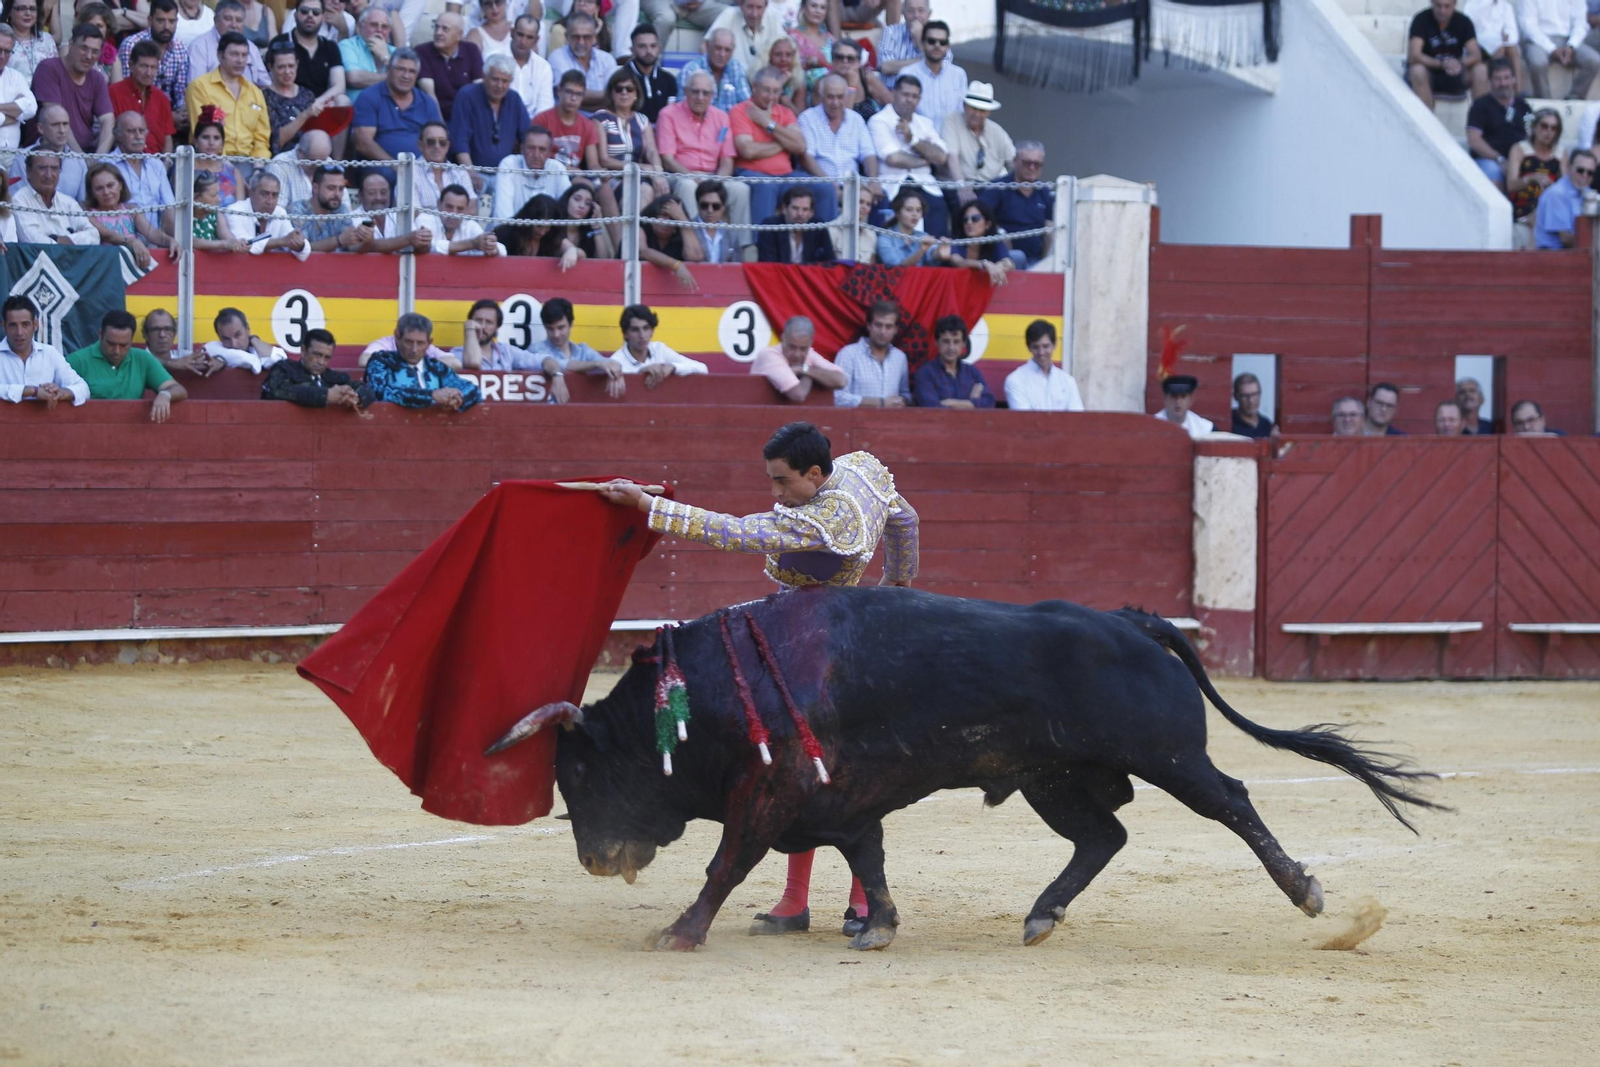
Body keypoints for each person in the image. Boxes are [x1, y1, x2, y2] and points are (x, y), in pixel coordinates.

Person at [594, 420, 919, 938]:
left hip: (815, 644)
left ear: (814, 474)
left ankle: (858, 901)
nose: (775, 494)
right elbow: (906, 518)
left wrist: (646, 508)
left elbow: (735, 532)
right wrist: (896, 587)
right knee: (802, 764)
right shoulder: (858, 469)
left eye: (782, 482)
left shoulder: (822, 519)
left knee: (831, 769)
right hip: (839, 628)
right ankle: (803, 902)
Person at [657, 69, 751, 252]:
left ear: (712, 95)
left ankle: (742, 248)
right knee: (687, 186)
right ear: (685, 91)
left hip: (713, 177)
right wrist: (693, 177)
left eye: (705, 93)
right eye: (695, 91)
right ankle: (697, 245)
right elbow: (668, 159)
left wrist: (716, 182)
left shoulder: (721, 118)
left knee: (741, 189)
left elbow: (726, 160)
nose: (700, 97)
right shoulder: (668, 114)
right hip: (681, 174)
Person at [733, 65, 836, 226]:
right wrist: (785, 143)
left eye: (776, 91)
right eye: (766, 90)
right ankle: (761, 247)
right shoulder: (740, 111)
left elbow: (801, 146)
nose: (771, 97)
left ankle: (826, 244)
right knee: (767, 187)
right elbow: (748, 150)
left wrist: (769, 124)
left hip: (786, 175)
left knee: (824, 188)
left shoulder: (785, 112)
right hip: (752, 173)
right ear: (754, 87)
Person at [66, 309, 187, 422]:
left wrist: (165, 394)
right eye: (111, 344)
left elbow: (178, 389)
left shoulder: (142, 359)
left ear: (132, 340)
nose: (117, 351)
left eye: (124, 345)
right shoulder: (78, 361)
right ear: (100, 335)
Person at [869, 74, 949, 237]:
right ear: (894, 94)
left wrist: (912, 139)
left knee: (938, 210)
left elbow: (941, 157)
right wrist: (927, 159)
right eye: (905, 95)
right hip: (893, 184)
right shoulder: (879, 120)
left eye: (914, 96)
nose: (909, 100)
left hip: (925, 184)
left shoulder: (925, 123)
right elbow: (894, 158)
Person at [364, 312, 483, 409]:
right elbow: (380, 393)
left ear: (429, 343)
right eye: (409, 342)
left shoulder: (436, 368)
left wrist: (457, 398)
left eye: (420, 343)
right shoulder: (381, 362)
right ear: (397, 336)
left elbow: (474, 391)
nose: (414, 350)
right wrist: (431, 395)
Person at [797, 73, 879, 205]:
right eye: (830, 97)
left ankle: (867, 227)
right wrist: (830, 184)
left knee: (878, 194)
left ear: (846, 96)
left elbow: (868, 154)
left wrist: (873, 180)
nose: (835, 102)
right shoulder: (807, 118)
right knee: (827, 192)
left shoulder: (856, 119)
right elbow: (806, 157)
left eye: (840, 97)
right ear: (821, 96)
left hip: (852, 183)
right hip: (820, 181)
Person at [187, 32, 272, 158]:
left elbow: (262, 137)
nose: (240, 60)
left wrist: (259, 163)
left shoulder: (255, 92)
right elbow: (200, 132)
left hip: (250, 161)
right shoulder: (200, 87)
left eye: (244, 55)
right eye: (234, 54)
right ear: (220, 56)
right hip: (213, 160)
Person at [31, 22, 113, 152]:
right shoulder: (49, 69)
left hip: (87, 152)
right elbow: (56, 118)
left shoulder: (97, 78)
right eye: (84, 48)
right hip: (49, 151)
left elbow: (108, 120)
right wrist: (80, 159)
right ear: (70, 44)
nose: (88, 56)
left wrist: (99, 158)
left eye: (95, 51)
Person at [350, 46, 441, 163]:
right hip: (379, 166)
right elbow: (363, 143)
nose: (406, 76)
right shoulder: (369, 97)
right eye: (401, 69)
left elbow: (437, 141)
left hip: (421, 168)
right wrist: (395, 166)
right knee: (375, 182)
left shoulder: (427, 102)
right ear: (388, 70)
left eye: (412, 71)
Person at [1, 294, 89, 408]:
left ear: (35, 325)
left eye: (25, 324)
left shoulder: (50, 354)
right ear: (4, 327)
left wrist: (62, 393)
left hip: (45, 425)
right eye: (13, 325)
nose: (19, 332)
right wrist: (31, 391)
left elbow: (83, 388)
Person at [526, 295, 620, 402]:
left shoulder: (583, 350)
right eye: (550, 329)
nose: (556, 334)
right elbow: (559, 364)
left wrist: (616, 372)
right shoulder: (536, 349)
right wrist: (596, 364)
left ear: (570, 324)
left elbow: (609, 363)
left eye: (561, 327)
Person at [117, 0, 190, 133]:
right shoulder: (131, 45)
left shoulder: (181, 49)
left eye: (171, 21)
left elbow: (181, 94)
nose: (166, 26)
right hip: (136, 116)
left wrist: (180, 115)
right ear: (150, 20)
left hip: (171, 118)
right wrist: (167, 117)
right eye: (161, 21)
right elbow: (128, 92)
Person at [449, 52, 528, 174]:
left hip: (506, 173)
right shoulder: (467, 96)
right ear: (484, 77)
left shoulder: (514, 99)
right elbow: (460, 142)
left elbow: (527, 137)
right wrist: (471, 174)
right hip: (473, 171)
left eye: (505, 81)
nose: (499, 86)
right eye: (495, 79)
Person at [978, 139, 1051, 266]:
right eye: (1027, 163)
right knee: (1018, 256)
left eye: (1037, 164)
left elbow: (1051, 225)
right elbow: (978, 215)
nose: (1032, 168)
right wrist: (999, 233)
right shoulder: (998, 187)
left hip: (1037, 260)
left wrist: (1047, 261)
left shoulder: (1044, 192)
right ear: (1015, 161)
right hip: (1005, 260)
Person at [270, 0, 349, 115]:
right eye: (304, 11)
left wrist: (317, 103)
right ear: (295, 15)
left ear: (322, 17)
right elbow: (271, 84)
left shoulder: (330, 46)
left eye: (316, 12)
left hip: (320, 106)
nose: (310, 15)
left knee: (343, 101)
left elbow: (339, 85)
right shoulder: (280, 43)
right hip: (289, 108)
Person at [262, 327, 370, 408]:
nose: (321, 362)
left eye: (327, 357)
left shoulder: (331, 377)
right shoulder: (285, 369)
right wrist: (325, 395)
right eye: (317, 355)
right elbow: (275, 390)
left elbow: (367, 389)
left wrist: (355, 397)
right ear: (303, 351)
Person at [941, 81, 1013, 204]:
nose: (977, 114)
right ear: (964, 105)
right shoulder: (952, 120)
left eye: (982, 110)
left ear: (989, 112)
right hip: (958, 185)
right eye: (973, 108)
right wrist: (962, 187)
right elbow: (952, 157)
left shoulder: (996, 131)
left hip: (989, 187)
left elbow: (1014, 160)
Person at [1407, 0, 1486, 109]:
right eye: (1438, 6)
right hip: (1430, 73)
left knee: (1481, 70)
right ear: (1432, 3)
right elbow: (1414, 55)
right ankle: (1426, 122)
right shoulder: (1421, 19)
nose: (1442, 11)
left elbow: (1476, 55)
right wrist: (1442, 64)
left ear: (1454, 4)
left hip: (1456, 72)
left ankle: (1481, 121)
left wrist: (1459, 63)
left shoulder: (1464, 21)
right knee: (1417, 71)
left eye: (1447, 6)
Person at [1465, 58, 1530, 188]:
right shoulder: (1480, 106)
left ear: (1513, 79)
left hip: (1517, 160)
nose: (1503, 83)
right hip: (1489, 161)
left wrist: (1515, 162)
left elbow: (1531, 136)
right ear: (1490, 81)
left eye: (1506, 78)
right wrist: (1499, 159)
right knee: (1494, 175)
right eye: (1498, 79)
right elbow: (1474, 140)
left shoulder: (1524, 107)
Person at [834, 299, 910, 407]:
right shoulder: (848, 354)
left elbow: (905, 393)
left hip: (891, 423)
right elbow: (838, 398)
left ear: (896, 329)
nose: (883, 332)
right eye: (878, 325)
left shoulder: (900, 358)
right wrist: (881, 403)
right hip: (856, 423)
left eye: (888, 327)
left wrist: (903, 401)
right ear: (869, 325)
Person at [750, 315, 845, 401]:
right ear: (783, 338)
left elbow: (841, 381)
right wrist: (811, 374)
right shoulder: (769, 355)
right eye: (792, 347)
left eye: (803, 349)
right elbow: (798, 395)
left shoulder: (809, 353)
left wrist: (806, 370)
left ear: (810, 343)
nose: (797, 354)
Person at [610, 303, 710, 384]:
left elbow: (702, 368)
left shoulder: (659, 349)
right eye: (635, 330)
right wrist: (639, 374)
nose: (642, 335)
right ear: (625, 334)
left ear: (652, 331)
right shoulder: (616, 361)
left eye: (646, 328)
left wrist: (672, 367)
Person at [222, 167, 311, 258]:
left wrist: (299, 244)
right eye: (264, 194)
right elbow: (243, 243)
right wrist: (281, 241)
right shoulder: (235, 210)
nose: (270, 201)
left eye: (275, 195)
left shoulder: (279, 212)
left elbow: (303, 252)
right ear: (250, 192)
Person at [82, 162, 159, 267]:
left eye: (110, 185)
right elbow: (108, 236)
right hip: (105, 266)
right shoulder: (88, 214)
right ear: (92, 192)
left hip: (133, 266)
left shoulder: (131, 209)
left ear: (120, 185)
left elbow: (152, 233)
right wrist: (132, 242)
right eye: (99, 188)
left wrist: (171, 241)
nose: (106, 192)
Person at [12, 151, 98, 244]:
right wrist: (69, 242)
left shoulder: (68, 202)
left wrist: (61, 240)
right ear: (28, 172)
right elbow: (32, 241)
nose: (49, 175)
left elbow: (94, 236)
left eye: (54, 168)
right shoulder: (19, 201)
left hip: (73, 258)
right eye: (42, 168)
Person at [109, 39, 176, 155]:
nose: (149, 73)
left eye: (153, 67)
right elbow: (111, 133)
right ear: (131, 65)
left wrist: (166, 163)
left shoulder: (162, 99)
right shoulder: (113, 92)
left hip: (157, 164)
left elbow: (167, 138)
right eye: (144, 66)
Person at [1521, 0, 1599, 98]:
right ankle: (1545, 105)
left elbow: (1580, 24)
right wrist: (1552, 49)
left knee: (1593, 61)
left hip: (1568, 39)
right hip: (1538, 40)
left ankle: (1573, 100)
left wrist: (1571, 46)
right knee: (1537, 62)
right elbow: (1528, 26)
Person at [10, 102, 86, 201]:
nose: (62, 130)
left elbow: (84, 203)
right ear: (41, 128)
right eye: (55, 125)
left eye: (65, 124)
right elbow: (16, 200)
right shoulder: (22, 159)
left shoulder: (78, 161)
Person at [912, 315, 993, 409]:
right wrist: (972, 403)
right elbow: (932, 407)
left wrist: (950, 402)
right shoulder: (925, 374)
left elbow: (989, 402)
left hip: (970, 424)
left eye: (956, 342)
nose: (951, 347)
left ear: (963, 344)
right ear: (937, 342)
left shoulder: (972, 372)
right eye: (946, 341)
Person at [1003, 319, 1083, 412]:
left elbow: (1077, 419)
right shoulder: (1016, 380)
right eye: (1036, 347)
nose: (1041, 352)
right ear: (1029, 347)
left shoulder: (1068, 381)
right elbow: (1024, 421)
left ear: (1055, 345)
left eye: (1045, 346)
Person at [416, 11, 481, 120]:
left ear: (459, 35)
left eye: (445, 29)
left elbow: (479, 90)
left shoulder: (471, 50)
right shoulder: (422, 52)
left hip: (466, 117)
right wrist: (441, 127)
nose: (438, 33)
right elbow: (430, 95)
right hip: (435, 116)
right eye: (436, 27)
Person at [188, 0, 270, 86]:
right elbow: (196, 87)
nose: (234, 25)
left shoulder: (252, 48)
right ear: (216, 21)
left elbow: (266, 85)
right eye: (228, 19)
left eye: (239, 20)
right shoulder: (199, 47)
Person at [531, 68, 600, 169]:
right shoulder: (542, 120)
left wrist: (603, 175)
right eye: (569, 92)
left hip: (576, 177)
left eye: (578, 94)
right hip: (547, 173)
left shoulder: (588, 126)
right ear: (559, 91)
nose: (573, 98)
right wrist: (567, 169)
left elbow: (593, 164)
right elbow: (535, 157)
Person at [494, 123, 567, 215]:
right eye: (531, 148)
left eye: (542, 149)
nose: (536, 155)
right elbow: (503, 214)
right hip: (512, 228)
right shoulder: (509, 164)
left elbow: (566, 209)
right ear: (522, 149)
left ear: (549, 152)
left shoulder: (557, 168)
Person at [1509, 107, 1563, 225]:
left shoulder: (1561, 154)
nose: (1548, 132)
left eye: (1553, 128)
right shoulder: (1519, 149)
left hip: (1550, 210)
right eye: (1544, 126)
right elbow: (1511, 185)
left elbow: (1566, 188)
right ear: (1534, 127)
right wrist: (1532, 178)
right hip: (1523, 209)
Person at [547, 11, 613, 108]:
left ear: (594, 37)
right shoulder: (557, 57)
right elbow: (569, 96)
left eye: (586, 37)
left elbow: (616, 94)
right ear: (567, 37)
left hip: (602, 119)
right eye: (575, 37)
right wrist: (607, 95)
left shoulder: (607, 59)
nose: (581, 42)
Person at [756, 184, 834, 263]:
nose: (800, 213)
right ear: (784, 209)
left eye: (805, 209)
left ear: (811, 213)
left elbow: (829, 262)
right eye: (795, 208)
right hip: (778, 275)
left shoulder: (818, 226)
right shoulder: (770, 227)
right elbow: (768, 266)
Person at [264, 39, 318, 153]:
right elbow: (277, 141)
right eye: (281, 67)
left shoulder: (307, 94)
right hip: (282, 158)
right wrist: (305, 115)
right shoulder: (265, 97)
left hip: (310, 154)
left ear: (297, 65)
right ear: (270, 67)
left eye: (291, 66)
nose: (287, 71)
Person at [422, 181, 505, 254]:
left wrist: (490, 246)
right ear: (439, 204)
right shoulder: (425, 219)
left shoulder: (470, 225)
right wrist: (472, 244)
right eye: (449, 207)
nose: (454, 213)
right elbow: (428, 246)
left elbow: (502, 250)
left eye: (460, 209)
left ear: (466, 210)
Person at [947, 199, 1019, 283]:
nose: (969, 223)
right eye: (965, 219)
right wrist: (984, 264)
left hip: (985, 289)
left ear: (987, 224)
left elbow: (1009, 262)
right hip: (957, 287)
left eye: (975, 219)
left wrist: (999, 266)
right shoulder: (957, 241)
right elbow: (958, 262)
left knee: (1019, 256)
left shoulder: (994, 241)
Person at [1534, 147, 1594, 248]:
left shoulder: (1588, 193)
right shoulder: (1557, 194)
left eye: (1590, 173)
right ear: (1569, 168)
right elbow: (1566, 238)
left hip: (1578, 256)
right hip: (1553, 258)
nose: (1585, 175)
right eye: (1580, 170)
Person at [293, 162, 360, 251]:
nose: (337, 194)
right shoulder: (298, 209)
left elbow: (352, 247)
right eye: (331, 188)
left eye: (341, 189)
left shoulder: (342, 210)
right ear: (315, 188)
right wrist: (338, 240)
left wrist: (366, 239)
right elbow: (302, 248)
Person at [639, 193, 704, 284]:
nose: (666, 222)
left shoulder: (678, 238)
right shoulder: (641, 228)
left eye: (672, 218)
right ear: (653, 214)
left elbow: (695, 256)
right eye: (663, 215)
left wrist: (682, 219)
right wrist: (676, 265)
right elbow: (643, 251)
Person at [455, 298, 537, 370]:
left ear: (497, 327)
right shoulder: (458, 353)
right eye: (478, 320)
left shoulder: (506, 351)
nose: (482, 326)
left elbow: (538, 360)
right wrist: (469, 329)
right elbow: (473, 362)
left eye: (489, 322)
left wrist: (550, 368)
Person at [412, 120, 477, 211]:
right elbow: (413, 213)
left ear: (447, 146)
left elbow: (472, 208)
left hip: (458, 225)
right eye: (431, 142)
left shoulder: (460, 172)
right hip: (423, 225)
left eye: (442, 142)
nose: (437, 146)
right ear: (420, 145)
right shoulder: (410, 173)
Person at [679, 26, 747, 111]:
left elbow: (747, 105)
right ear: (707, 46)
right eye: (718, 48)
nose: (722, 54)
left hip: (732, 123)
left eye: (727, 50)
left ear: (732, 51)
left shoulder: (736, 68)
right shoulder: (690, 71)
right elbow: (683, 110)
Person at [144, 307, 227, 377]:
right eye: (155, 330)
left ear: (174, 333)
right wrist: (171, 363)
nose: (162, 335)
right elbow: (142, 362)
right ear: (146, 335)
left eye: (167, 329)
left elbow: (213, 360)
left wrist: (218, 362)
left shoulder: (185, 356)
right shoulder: (136, 357)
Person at [876, 188, 946, 266]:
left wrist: (940, 252)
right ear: (897, 212)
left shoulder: (922, 235)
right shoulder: (885, 237)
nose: (915, 214)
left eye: (918, 210)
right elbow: (896, 267)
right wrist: (921, 251)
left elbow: (932, 254)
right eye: (909, 209)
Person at [204, 307, 287, 372]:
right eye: (226, 339)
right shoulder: (214, 348)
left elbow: (280, 360)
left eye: (238, 335)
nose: (234, 344)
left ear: (247, 329)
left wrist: (253, 339)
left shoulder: (256, 350)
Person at [826, 36, 888, 121]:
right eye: (840, 57)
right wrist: (852, 88)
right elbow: (841, 120)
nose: (845, 61)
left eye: (850, 58)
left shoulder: (866, 78)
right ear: (833, 60)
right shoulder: (824, 84)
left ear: (859, 62)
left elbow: (891, 103)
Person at [0, 23, 39, 156]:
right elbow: (23, 110)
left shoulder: (16, 77)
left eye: (7, 51)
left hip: (12, 155)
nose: (2, 56)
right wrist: (16, 113)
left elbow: (31, 108)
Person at [269, 126, 334, 205]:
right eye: (313, 161)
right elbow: (278, 210)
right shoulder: (279, 165)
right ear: (300, 151)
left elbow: (344, 206)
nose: (318, 166)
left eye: (322, 161)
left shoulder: (329, 162)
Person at [622, 24, 674, 123]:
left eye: (653, 46)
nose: (648, 51)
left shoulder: (669, 79)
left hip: (663, 131)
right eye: (642, 46)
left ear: (658, 48)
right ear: (632, 50)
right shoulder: (622, 78)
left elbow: (671, 115)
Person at [710, 0, 783, 70]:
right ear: (741, 5)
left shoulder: (771, 17)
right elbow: (706, 45)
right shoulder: (730, 14)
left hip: (764, 80)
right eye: (750, 7)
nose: (754, 14)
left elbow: (786, 45)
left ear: (765, 7)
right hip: (732, 77)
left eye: (759, 8)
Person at [339, 5, 391, 103]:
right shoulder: (348, 45)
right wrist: (392, 78)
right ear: (359, 27)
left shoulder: (395, 52)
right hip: (358, 111)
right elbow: (354, 78)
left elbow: (405, 81)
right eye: (374, 25)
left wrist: (386, 57)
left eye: (384, 26)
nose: (379, 30)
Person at [643, 0, 726, 61]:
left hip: (694, 5)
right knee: (666, 19)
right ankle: (651, 65)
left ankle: (709, 68)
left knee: (726, 13)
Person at [191, 110, 244, 205]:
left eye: (216, 138)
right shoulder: (186, 170)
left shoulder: (233, 172)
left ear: (222, 143)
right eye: (205, 137)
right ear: (196, 141)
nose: (211, 143)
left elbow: (240, 211)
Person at [1467, 0, 1522, 86]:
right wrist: (1498, 38)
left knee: (1513, 49)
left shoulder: (1505, 6)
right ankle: (1496, 84)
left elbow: (1512, 32)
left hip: (1500, 43)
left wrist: (1505, 37)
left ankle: (1518, 91)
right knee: (1499, 48)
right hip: (1480, 45)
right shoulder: (1472, 5)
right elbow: (1471, 32)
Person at [508, 13, 553, 116]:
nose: (523, 41)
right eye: (520, 35)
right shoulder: (495, 59)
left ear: (536, 40)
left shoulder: (544, 67)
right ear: (512, 33)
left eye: (529, 37)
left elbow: (545, 107)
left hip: (534, 127)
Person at [4, 0, 57, 83]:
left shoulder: (47, 39)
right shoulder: (3, 41)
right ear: (10, 11)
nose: (28, 13)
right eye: (22, 8)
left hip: (45, 93)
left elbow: (55, 73)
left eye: (32, 9)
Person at [557, 181, 614, 258]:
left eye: (587, 203)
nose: (582, 206)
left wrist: (596, 227)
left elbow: (604, 259)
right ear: (567, 200)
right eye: (577, 199)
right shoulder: (555, 224)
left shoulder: (588, 229)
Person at [690, 178, 741, 263]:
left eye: (716, 206)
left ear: (723, 208)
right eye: (704, 205)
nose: (710, 210)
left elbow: (736, 268)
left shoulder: (732, 235)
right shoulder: (688, 229)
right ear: (697, 205)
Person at [1229, 372, 1276, 438]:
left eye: (1254, 395)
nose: (1250, 401)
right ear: (1236, 397)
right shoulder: (1230, 422)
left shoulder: (1266, 424)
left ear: (1260, 394)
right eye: (1245, 396)